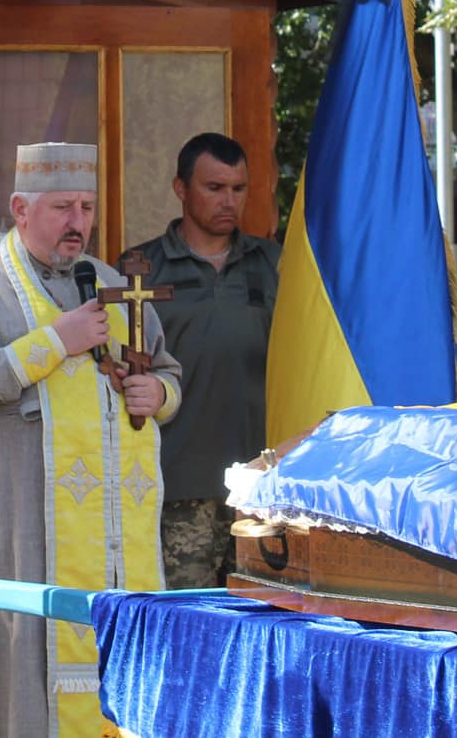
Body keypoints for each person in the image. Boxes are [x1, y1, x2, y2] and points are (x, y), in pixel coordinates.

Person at [0, 142, 181, 738]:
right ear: (20, 208)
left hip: (111, 549)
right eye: (62, 207)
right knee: (17, 690)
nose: (78, 222)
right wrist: (53, 342)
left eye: (86, 207)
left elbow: (166, 372)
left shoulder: (115, 285)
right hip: (19, 534)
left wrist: (159, 397)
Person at [129, 132, 281, 590]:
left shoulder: (273, 264)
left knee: (260, 633)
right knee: (183, 631)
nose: (228, 201)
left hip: (263, 492)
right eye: (214, 188)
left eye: (238, 189)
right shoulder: (140, 271)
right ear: (181, 189)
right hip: (177, 489)